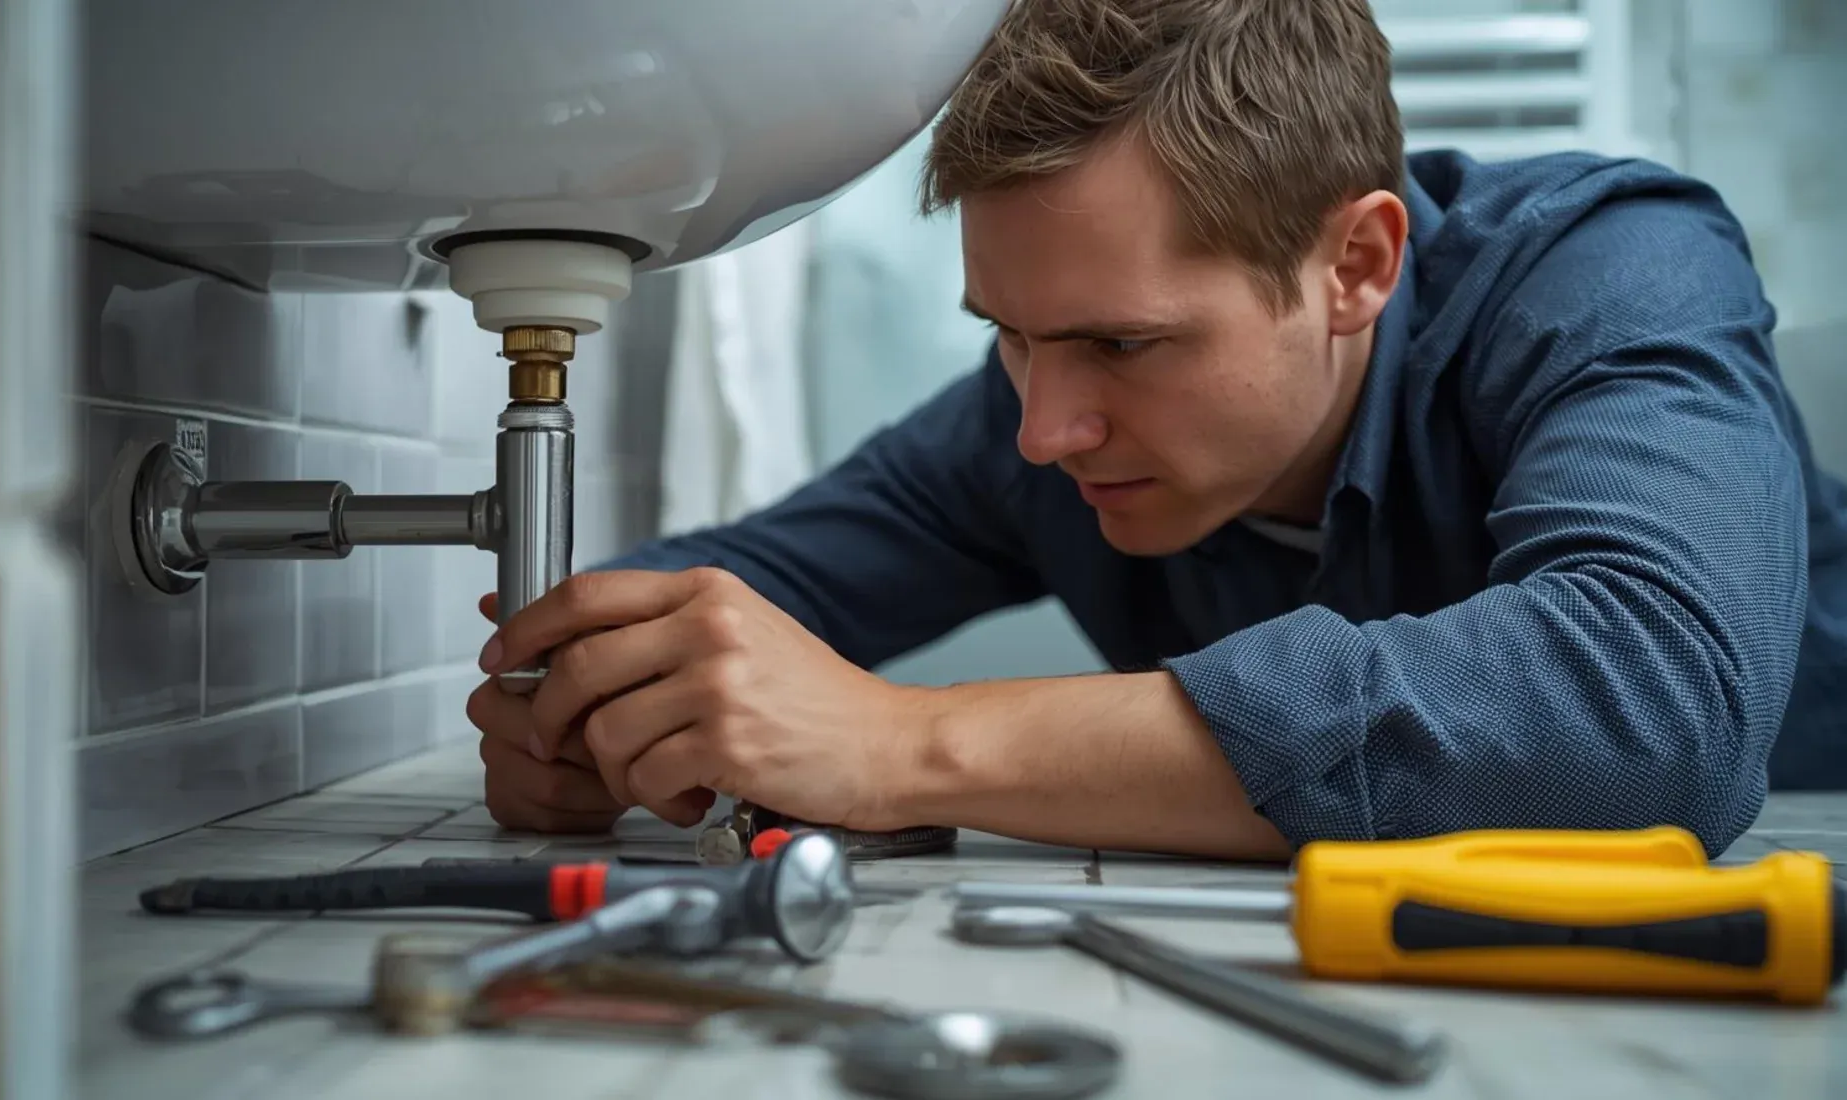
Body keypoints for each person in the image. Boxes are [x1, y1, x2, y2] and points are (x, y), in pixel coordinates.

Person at [465, 0, 1847, 860]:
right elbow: (725, 606)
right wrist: (597, 711)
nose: (1044, 431)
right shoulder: (1033, 420)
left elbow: (1654, 707)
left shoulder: (1611, 267)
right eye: (1008, 332)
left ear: (1357, 266)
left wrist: (902, 747)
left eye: (1124, 344)